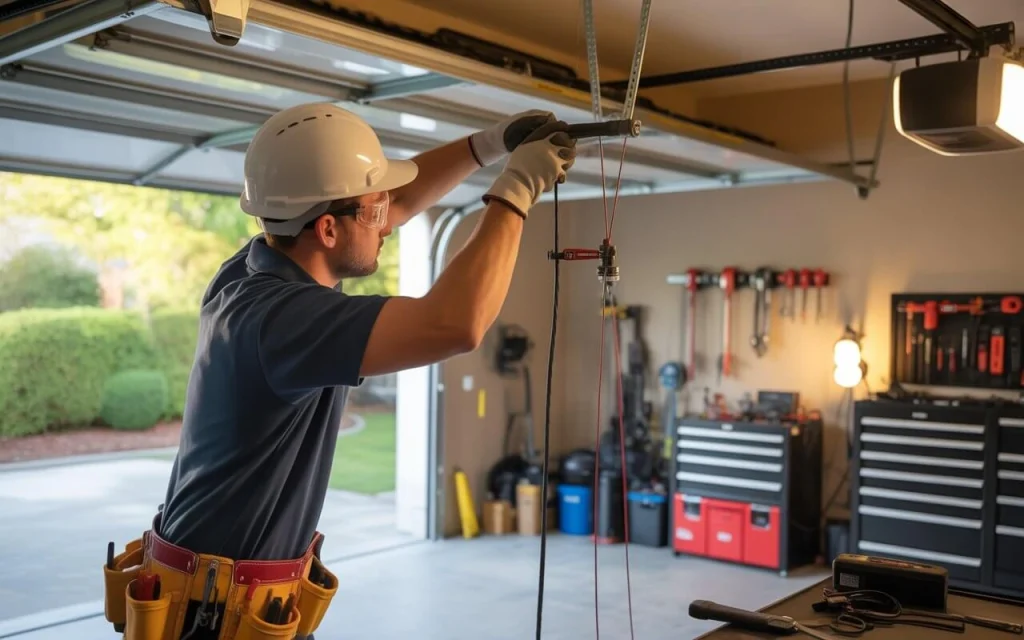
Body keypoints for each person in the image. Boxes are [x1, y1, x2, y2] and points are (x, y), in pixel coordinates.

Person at [102, 101, 576, 640]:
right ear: (327, 229)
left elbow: (388, 207)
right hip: (211, 618)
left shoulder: (255, 269)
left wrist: (489, 143)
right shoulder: (283, 319)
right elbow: (455, 324)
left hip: (215, 598)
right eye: (374, 214)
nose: (387, 223)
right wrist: (517, 189)